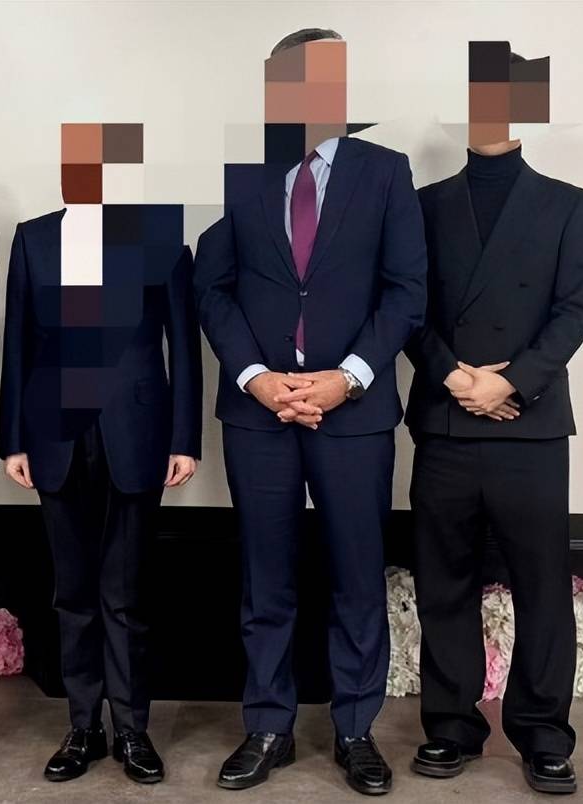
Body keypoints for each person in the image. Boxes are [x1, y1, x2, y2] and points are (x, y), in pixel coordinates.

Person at [193, 28, 427, 797]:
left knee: (357, 576)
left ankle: (356, 731)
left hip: (352, 413)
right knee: (266, 579)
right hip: (258, 412)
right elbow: (213, 289)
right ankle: (269, 726)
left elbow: (406, 291)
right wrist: (256, 377)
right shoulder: (241, 171)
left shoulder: (385, 172)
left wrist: (347, 378)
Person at [405, 43, 583, 796]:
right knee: (443, 582)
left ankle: (544, 734)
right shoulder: (425, 204)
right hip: (447, 419)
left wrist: (511, 381)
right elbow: (408, 307)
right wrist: (457, 376)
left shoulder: (567, 202)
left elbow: (574, 310)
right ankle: (451, 727)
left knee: (542, 585)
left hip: (531, 424)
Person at [0, 122, 203, 785]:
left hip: (137, 432)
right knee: (73, 593)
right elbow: (17, 342)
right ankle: (82, 726)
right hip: (54, 437)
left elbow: (183, 344)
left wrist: (185, 438)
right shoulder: (32, 238)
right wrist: (12, 438)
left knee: (126, 594)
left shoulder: (162, 239)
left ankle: (133, 730)